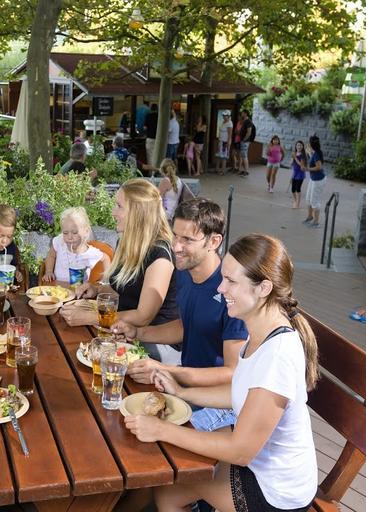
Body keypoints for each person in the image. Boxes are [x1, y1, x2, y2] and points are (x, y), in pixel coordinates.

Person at [124, 234, 318, 512]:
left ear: (263, 288)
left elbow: (240, 450)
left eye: (231, 281)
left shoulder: (277, 355)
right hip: (259, 465)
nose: (221, 288)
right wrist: (182, 392)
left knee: (169, 488)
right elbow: (241, 391)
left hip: (277, 491)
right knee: (173, 475)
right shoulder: (260, 331)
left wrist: (161, 429)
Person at [112, 199, 248, 432]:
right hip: (184, 385)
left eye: (187, 240)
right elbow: (187, 326)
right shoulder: (185, 271)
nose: (176, 246)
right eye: (175, 236)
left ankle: (229, 471)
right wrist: (138, 332)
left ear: (214, 241)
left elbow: (232, 373)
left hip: (221, 402)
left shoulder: (231, 289)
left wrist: (166, 371)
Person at [60, 178, 180, 364]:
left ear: (137, 213)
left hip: (154, 343)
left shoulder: (160, 255)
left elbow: (143, 316)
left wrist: (92, 317)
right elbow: (123, 289)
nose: (113, 212)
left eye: (119, 206)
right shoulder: (126, 241)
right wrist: (97, 289)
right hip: (123, 330)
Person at [42, 207, 110, 284]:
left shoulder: (90, 253)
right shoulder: (60, 242)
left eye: (74, 232)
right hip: (58, 290)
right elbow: (51, 255)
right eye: (65, 233)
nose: (69, 237)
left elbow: (106, 258)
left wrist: (105, 280)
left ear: (86, 231)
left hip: (78, 293)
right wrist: (49, 271)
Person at [302, 135, 326, 228]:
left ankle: (316, 222)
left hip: (318, 180)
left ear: (312, 144)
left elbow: (319, 167)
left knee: (314, 201)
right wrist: (309, 153)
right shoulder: (315, 152)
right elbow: (312, 157)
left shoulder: (317, 154)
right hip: (313, 179)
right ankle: (310, 217)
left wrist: (307, 169)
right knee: (308, 198)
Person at [236, 110, 255, 177]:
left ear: (245, 114)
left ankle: (246, 171)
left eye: (243, 113)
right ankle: (244, 170)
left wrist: (244, 139)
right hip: (243, 141)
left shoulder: (248, 121)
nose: (241, 114)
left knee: (244, 156)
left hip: (245, 141)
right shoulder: (245, 121)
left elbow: (249, 132)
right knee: (243, 155)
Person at [290, 141, 306, 209]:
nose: (299, 147)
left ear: (302, 146)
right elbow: (291, 163)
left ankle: (298, 203)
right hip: (295, 173)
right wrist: (292, 158)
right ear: (296, 146)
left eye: (300, 145)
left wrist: (295, 158)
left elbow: (301, 165)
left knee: (298, 189)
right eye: (298, 145)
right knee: (293, 189)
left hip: (300, 174)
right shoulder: (294, 153)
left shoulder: (303, 155)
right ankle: (295, 200)